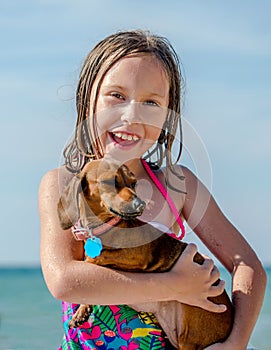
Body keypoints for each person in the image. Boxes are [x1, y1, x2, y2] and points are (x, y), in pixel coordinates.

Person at [39, 30, 266, 350]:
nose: (131, 115)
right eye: (116, 95)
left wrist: (236, 343)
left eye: (151, 102)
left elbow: (248, 266)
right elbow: (64, 281)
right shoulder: (64, 184)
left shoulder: (179, 185)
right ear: (87, 96)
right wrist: (174, 287)